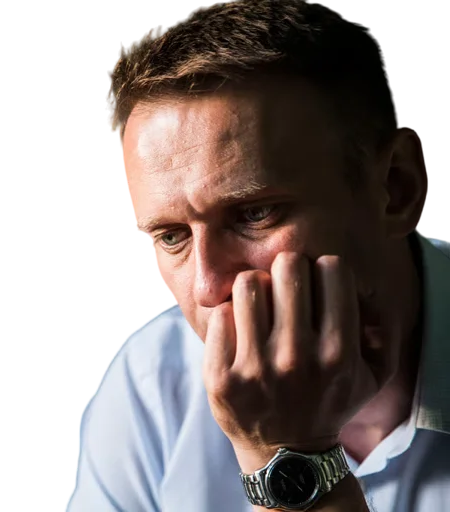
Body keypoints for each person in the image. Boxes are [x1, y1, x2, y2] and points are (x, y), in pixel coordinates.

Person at [68, 1, 449, 510]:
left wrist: (285, 452)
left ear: (397, 190)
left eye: (255, 213)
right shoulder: (152, 387)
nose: (208, 287)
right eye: (173, 237)